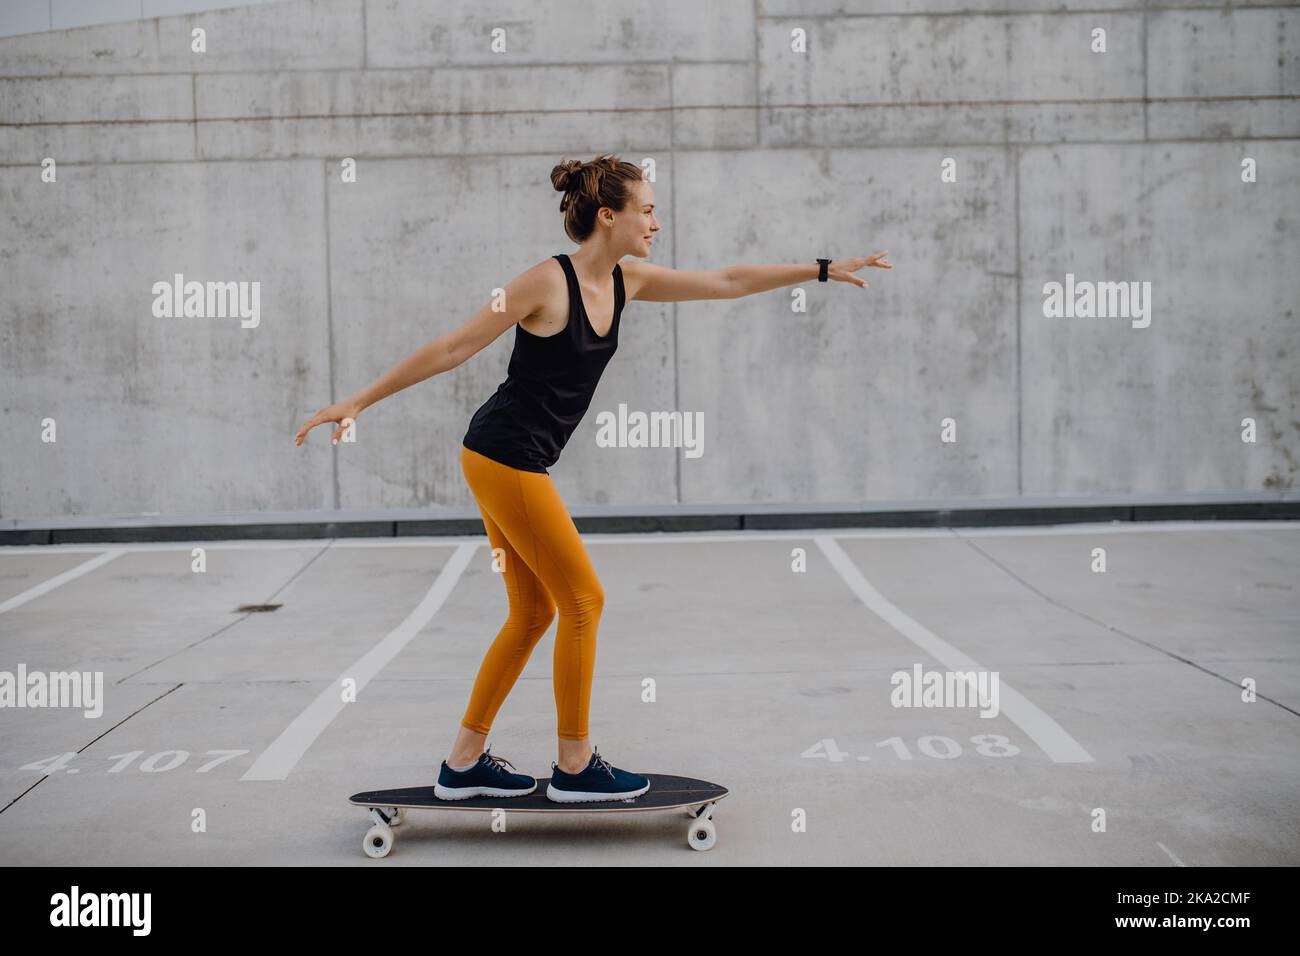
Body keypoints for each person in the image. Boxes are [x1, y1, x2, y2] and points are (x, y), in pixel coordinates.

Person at [294, 153, 890, 802]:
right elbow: (453, 347)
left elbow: (726, 281)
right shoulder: (545, 284)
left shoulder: (628, 282)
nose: (656, 222)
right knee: (584, 601)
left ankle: (462, 763)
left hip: (505, 456)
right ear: (610, 216)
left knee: (530, 614)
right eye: (648, 210)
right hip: (505, 455)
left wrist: (825, 269)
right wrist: (357, 400)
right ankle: (575, 767)